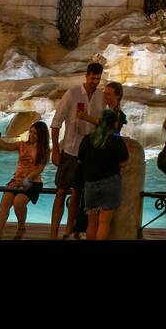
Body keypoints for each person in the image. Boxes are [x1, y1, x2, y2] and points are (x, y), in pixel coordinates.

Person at [49, 62, 103, 239]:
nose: (95, 81)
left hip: (89, 153)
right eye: (93, 78)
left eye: (98, 78)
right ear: (86, 76)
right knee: (61, 192)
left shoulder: (101, 97)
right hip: (70, 151)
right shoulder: (72, 94)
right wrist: (55, 149)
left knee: (78, 193)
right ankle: (53, 233)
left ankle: (69, 231)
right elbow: (56, 122)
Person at [0, 121, 49, 239]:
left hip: (33, 182)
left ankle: (21, 227)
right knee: (5, 201)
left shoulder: (44, 149)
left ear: (41, 135)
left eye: (35, 133)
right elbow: (5, 146)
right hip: (16, 180)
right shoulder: (21, 144)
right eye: (31, 132)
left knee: (18, 202)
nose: (32, 135)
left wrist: (27, 180)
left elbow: (40, 169)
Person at [78, 109, 128, 241]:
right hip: (110, 183)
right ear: (114, 124)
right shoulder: (116, 141)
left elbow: (80, 159)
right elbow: (124, 163)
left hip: (90, 183)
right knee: (104, 223)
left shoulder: (87, 139)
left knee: (92, 223)